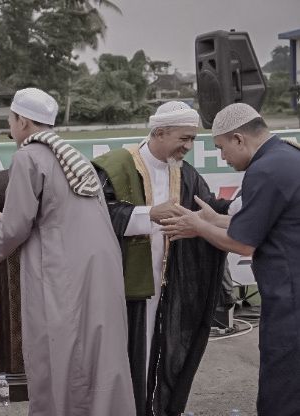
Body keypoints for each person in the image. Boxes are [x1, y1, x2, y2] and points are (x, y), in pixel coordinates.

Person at [0, 87, 134, 415]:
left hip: (63, 272)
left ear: (23, 122)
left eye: (10, 120)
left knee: (63, 351)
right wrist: (1, 221)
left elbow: (17, 228)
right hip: (97, 267)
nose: (10, 127)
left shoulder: (28, 156)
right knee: (99, 350)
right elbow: (54, 216)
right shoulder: (72, 156)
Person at [91, 101, 230, 415]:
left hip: (169, 286)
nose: (189, 146)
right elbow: (93, 215)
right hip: (122, 286)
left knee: (159, 357)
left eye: (193, 139)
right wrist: (148, 214)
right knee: (122, 359)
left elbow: (208, 208)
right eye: (184, 138)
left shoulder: (185, 173)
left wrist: (239, 209)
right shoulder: (116, 167)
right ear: (159, 132)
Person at [162, 103, 300, 416]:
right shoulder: (286, 156)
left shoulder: (265, 170)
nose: (223, 157)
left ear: (238, 138)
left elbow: (242, 243)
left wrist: (197, 226)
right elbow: (264, 223)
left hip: (291, 300)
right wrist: (214, 219)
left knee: (283, 395)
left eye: (221, 148)